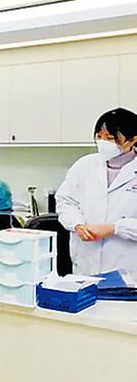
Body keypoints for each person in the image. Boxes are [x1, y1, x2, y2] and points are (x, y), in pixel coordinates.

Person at [56, 108, 137, 275]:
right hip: (86, 263)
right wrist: (77, 225)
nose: (103, 142)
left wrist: (115, 228)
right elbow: (66, 201)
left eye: (110, 138)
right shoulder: (84, 165)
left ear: (133, 139)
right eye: (99, 137)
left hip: (129, 268)